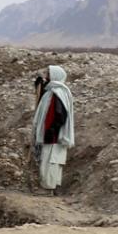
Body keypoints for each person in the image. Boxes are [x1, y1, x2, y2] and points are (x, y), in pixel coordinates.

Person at [32, 65, 74, 194]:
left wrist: (51, 129)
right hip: (53, 132)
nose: (47, 76)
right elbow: (44, 102)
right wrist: (39, 85)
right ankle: (52, 187)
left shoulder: (58, 93)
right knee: (53, 160)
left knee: (50, 161)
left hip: (54, 134)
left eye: (49, 74)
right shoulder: (54, 91)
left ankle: (47, 189)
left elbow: (59, 114)